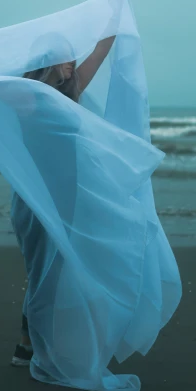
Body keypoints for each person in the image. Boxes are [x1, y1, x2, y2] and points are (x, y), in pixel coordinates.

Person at [10, 34, 116, 368]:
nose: (73, 63)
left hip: (67, 194)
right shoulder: (26, 96)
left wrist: (114, 17)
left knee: (51, 271)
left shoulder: (72, 92)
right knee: (44, 271)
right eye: (66, 58)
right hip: (36, 196)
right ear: (49, 60)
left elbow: (100, 51)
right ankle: (35, 348)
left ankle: (28, 345)